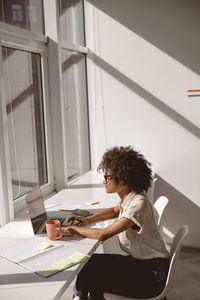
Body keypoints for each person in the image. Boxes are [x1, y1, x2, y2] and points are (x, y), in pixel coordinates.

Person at [61, 146, 169, 300]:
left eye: (107, 177)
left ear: (123, 181)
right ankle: (81, 296)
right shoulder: (131, 196)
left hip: (152, 276)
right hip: (143, 264)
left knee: (93, 275)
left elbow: (102, 234)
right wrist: (89, 219)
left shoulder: (138, 205)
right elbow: (114, 210)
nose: (104, 181)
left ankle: (79, 296)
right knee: (91, 262)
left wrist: (72, 229)